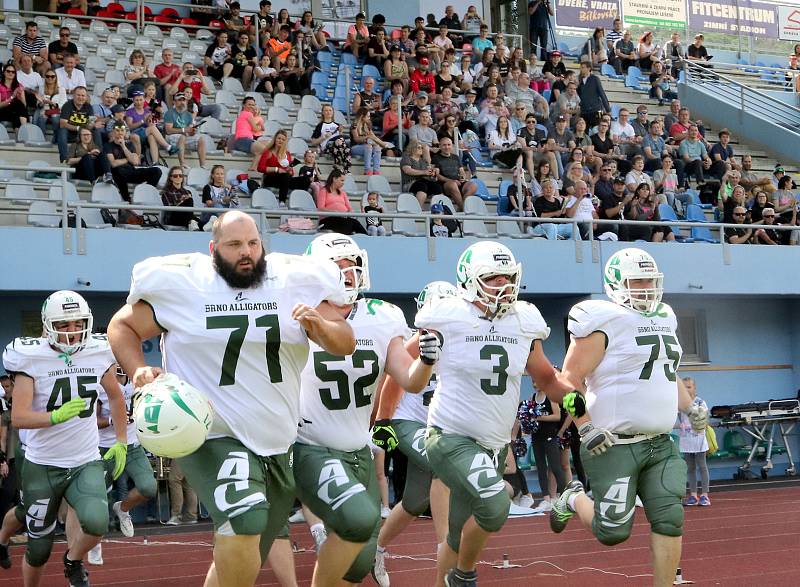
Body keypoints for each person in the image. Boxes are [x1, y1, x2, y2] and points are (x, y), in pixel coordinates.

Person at [107, 210, 355, 587]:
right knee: (244, 520)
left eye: (253, 243)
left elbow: (344, 342)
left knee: (245, 544)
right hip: (208, 432)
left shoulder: (290, 281)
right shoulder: (186, 283)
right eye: (235, 244)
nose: (246, 253)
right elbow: (122, 325)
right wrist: (138, 367)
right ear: (213, 250)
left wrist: (320, 326)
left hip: (276, 438)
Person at [549, 247, 709, 587]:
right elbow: (568, 380)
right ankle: (573, 496)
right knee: (612, 532)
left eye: (650, 280)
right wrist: (585, 425)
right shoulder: (602, 320)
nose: (646, 287)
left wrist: (690, 407)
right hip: (612, 445)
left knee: (670, 518)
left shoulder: (664, 316)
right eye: (637, 280)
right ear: (615, 283)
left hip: (660, 443)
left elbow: (668, 372)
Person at [418, 241, 570, 587]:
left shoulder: (523, 321)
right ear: (470, 280)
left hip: (493, 443)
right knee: (495, 503)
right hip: (450, 435)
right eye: (493, 277)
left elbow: (545, 377)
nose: (503, 284)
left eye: (508, 277)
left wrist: (579, 404)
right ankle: (465, 575)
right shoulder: (448, 314)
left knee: (457, 533)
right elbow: (408, 362)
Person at [295, 234, 437, 587]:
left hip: (356, 447)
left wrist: (427, 360)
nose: (347, 273)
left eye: (351, 265)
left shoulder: (382, 315)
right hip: (308, 442)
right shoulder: (295, 311)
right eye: (337, 267)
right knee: (351, 524)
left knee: (359, 559)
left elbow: (410, 379)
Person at [2, 290, 129, 587]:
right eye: (64, 324)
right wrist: (55, 417)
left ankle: (72, 560)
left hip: (84, 460)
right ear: (48, 325)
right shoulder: (29, 356)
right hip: (42, 464)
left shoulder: (97, 350)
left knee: (98, 524)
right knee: (38, 549)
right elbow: (19, 417)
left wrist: (122, 441)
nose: (73, 331)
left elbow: (116, 396)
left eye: (78, 323)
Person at [372, 280, 458, 586]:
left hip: (438, 426)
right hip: (407, 422)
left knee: (414, 501)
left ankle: (375, 549)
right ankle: (446, 555)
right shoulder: (416, 341)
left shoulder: (460, 338)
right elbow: (390, 383)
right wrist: (381, 420)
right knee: (443, 465)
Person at [89, 365, 158, 564]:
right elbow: (91, 421)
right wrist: (113, 419)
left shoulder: (137, 380)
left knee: (148, 487)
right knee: (96, 497)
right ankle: (93, 542)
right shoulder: (99, 383)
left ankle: (123, 508)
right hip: (106, 448)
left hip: (132, 446)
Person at [104, 122, 162, 202]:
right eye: (117, 130)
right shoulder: (108, 145)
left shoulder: (129, 144)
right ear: (113, 132)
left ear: (125, 132)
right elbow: (113, 163)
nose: (120, 132)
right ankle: (126, 199)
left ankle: (144, 194)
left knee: (157, 171)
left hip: (131, 171)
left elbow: (135, 162)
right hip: (118, 173)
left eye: (122, 130)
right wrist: (128, 159)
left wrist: (123, 146)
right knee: (117, 170)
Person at [676, 378, 710, 507]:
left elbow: (705, 418)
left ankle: (705, 495)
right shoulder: (680, 403)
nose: (686, 390)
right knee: (690, 468)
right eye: (684, 387)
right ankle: (693, 495)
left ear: (694, 388)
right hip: (686, 439)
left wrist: (700, 425)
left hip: (699, 438)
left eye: (689, 387)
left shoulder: (700, 402)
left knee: (702, 466)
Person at [257, 129, 303, 204]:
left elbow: (291, 173)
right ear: (275, 139)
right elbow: (260, 168)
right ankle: (282, 202)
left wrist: (290, 170)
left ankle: (299, 203)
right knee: (285, 176)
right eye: (279, 138)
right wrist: (277, 169)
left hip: (284, 179)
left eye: (283, 139)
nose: (280, 141)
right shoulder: (268, 152)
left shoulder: (287, 154)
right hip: (270, 178)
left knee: (305, 180)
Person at [315, 170, 367, 235]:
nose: (343, 183)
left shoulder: (343, 192)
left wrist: (346, 214)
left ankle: (368, 239)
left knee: (355, 223)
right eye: (341, 180)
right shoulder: (323, 191)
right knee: (346, 224)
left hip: (343, 218)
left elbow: (349, 208)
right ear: (334, 179)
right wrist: (335, 212)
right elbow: (320, 208)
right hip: (328, 219)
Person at [164, 94, 208, 168]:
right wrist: (184, 130)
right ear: (174, 102)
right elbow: (168, 131)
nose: (182, 102)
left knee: (201, 139)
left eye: (183, 100)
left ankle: (203, 165)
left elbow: (189, 131)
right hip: (170, 137)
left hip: (184, 137)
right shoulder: (170, 113)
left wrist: (192, 131)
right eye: (179, 100)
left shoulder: (188, 115)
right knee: (182, 137)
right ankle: (182, 164)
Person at [432, 137, 477, 210]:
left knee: (473, 186)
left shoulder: (456, 157)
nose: (447, 147)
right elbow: (437, 175)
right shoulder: (436, 158)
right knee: (452, 184)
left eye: (449, 145)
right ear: (440, 146)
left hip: (458, 182)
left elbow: (461, 171)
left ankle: (462, 207)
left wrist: (463, 177)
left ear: (452, 146)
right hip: (445, 184)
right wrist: (451, 181)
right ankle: (464, 209)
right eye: (444, 145)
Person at [310, 104, 351, 175]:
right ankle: (343, 167)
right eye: (326, 110)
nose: (328, 112)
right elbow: (313, 142)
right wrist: (323, 137)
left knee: (345, 145)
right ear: (322, 112)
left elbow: (340, 138)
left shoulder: (338, 125)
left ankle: (340, 166)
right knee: (341, 144)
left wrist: (341, 132)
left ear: (333, 112)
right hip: (327, 148)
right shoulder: (320, 126)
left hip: (338, 146)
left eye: (330, 110)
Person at [351, 108, 391, 176]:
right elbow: (356, 139)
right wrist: (367, 137)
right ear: (362, 116)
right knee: (368, 146)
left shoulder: (367, 126)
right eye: (368, 116)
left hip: (366, 147)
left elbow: (374, 137)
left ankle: (376, 171)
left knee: (377, 147)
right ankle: (367, 170)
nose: (369, 118)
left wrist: (382, 144)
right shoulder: (354, 125)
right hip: (355, 147)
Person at [401, 140, 441, 207]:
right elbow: (407, 170)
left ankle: (439, 210)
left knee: (437, 187)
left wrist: (433, 174)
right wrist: (424, 172)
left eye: (422, 148)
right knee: (422, 186)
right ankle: (418, 209)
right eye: (419, 147)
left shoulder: (423, 161)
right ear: (412, 148)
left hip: (423, 182)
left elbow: (428, 175)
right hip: (410, 183)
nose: (421, 149)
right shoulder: (406, 158)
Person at [233, 96, 267, 167]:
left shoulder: (242, 114)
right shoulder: (248, 114)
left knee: (269, 143)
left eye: (253, 105)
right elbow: (255, 129)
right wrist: (260, 126)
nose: (251, 106)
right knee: (264, 149)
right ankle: (254, 167)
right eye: (249, 104)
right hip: (243, 140)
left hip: (243, 141)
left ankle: (254, 168)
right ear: (243, 105)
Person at [577, 61, 610, 128]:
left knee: (597, 128)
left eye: (583, 67)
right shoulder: (580, 81)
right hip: (584, 110)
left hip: (596, 109)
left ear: (589, 68)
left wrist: (608, 109)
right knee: (584, 130)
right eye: (581, 68)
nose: (581, 69)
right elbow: (580, 96)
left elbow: (602, 93)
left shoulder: (595, 79)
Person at [166, 460, 198, 525]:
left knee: (174, 480)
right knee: (188, 482)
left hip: (180, 452)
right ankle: (191, 515)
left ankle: (176, 515)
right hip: (192, 453)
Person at [0, 64, 29, 129]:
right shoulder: (0, 86)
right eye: (8, 71)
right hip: (3, 111)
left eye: (13, 72)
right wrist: (12, 97)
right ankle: (24, 130)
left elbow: (24, 105)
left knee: (18, 110)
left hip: (16, 111)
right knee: (18, 107)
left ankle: (21, 134)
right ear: (4, 72)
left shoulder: (19, 85)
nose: (11, 73)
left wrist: (20, 97)